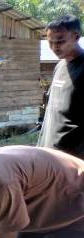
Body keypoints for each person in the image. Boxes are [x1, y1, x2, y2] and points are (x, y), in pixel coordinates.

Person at [37, 15, 84, 159]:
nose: (54, 47)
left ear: (76, 37)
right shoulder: (60, 66)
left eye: (60, 41)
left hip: (73, 161)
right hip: (49, 154)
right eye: (50, 42)